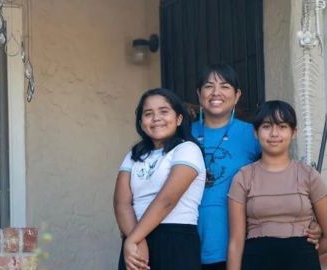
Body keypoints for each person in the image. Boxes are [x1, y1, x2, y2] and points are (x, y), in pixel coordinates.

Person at [227, 100, 327, 270]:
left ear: (294, 132)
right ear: (256, 133)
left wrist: (307, 252)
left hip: (302, 262)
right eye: (266, 126)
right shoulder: (243, 177)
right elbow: (236, 243)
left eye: (282, 126)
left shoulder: (309, 175)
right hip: (256, 262)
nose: (274, 133)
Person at [114, 88, 206, 270]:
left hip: (175, 239)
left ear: (179, 119)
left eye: (164, 111)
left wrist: (133, 239)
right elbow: (121, 203)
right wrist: (136, 241)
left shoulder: (187, 149)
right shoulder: (134, 155)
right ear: (141, 123)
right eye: (148, 114)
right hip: (135, 236)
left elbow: (167, 200)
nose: (156, 118)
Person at [192, 63, 261, 270]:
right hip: (187, 245)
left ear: (237, 95)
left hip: (237, 246)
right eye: (208, 86)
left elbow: (276, 175)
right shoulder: (183, 134)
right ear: (199, 94)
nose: (216, 92)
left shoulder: (254, 134)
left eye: (224, 86)